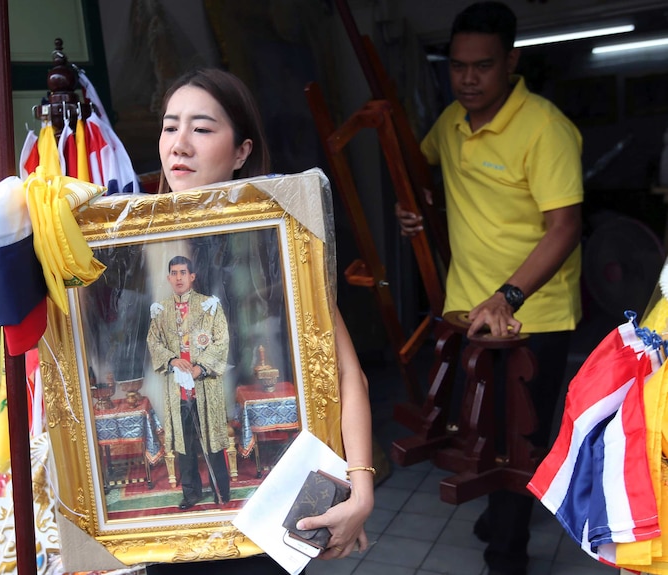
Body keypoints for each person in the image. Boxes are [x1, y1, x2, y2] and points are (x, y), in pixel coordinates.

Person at [146, 67, 374, 573]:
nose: (179, 144)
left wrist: (361, 487)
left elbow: (345, 374)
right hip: (171, 539)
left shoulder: (279, 241)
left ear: (243, 151)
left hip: (269, 514)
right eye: (169, 127)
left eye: (202, 129)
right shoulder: (127, 246)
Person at [396, 3, 583, 574]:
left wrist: (509, 296)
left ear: (511, 63)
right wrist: (413, 209)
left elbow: (566, 227)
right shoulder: (451, 123)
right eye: (457, 67)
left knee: (516, 443)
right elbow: (416, 167)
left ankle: (508, 557)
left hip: (533, 315)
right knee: (478, 430)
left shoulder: (544, 128)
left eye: (482, 66)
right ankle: (498, 516)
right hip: (465, 312)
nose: (469, 79)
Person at [147, 255, 232, 510]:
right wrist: (172, 359)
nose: (179, 277)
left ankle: (220, 491)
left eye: (183, 272)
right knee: (184, 444)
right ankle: (191, 493)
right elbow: (154, 342)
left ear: (192, 276)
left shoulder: (210, 306)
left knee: (211, 439)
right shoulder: (160, 311)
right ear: (168, 278)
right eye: (174, 273)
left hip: (205, 386)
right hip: (177, 390)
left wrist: (200, 368)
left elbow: (221, 340)